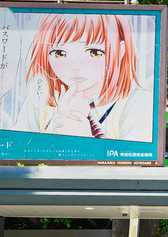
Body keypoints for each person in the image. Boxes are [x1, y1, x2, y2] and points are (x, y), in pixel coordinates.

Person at [19, 12, 152, 141]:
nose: (75, 66)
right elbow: (18, 148)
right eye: (60, 53)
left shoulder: (137, 102)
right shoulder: (40, 101)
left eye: (94, 52)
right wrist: (59, 121)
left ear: (120, 51)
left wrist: (86, 138)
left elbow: (135, 157)